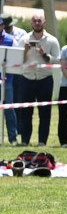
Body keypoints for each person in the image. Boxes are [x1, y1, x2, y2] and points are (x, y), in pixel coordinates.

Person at [18, 12, 61, 146]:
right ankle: (25, 141)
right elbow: (18, 60)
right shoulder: (24, 39)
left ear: (44, 23)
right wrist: (25, 51)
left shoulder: (52, 40)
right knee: (26, 112)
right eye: (35, 21)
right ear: (31, 23)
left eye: (39, 21)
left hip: (45, 79)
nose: (37, 23)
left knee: (45, 113)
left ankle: (42, 141)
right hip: (27, 78)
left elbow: (57, 61)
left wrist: (44, 54)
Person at [1, 15, 20, 143]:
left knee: (9, 109)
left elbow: (17, 60)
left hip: (7, 79)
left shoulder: (11, 40)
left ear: (2, 26)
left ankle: (12, 138)